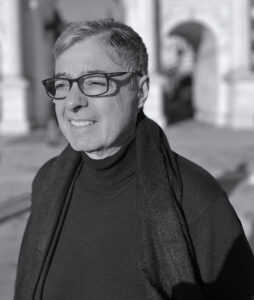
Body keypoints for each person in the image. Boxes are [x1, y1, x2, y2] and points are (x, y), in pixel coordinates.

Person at [14, 19, 254, 300]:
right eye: (62, 84)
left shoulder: (196, 197)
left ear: (140, 91)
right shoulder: (46, 180)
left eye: (93, 82)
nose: (72, 102)